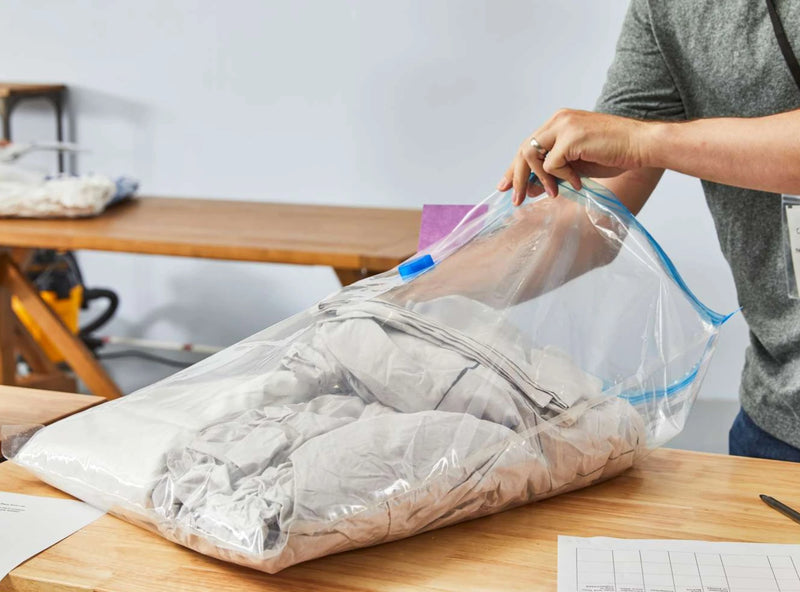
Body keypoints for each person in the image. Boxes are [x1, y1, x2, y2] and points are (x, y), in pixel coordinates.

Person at [497, 0, 800, 462]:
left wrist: (646, 141)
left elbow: (631, 142)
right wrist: (413, 286)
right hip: (777, 419)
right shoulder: (668, 9)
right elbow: (588, 217)